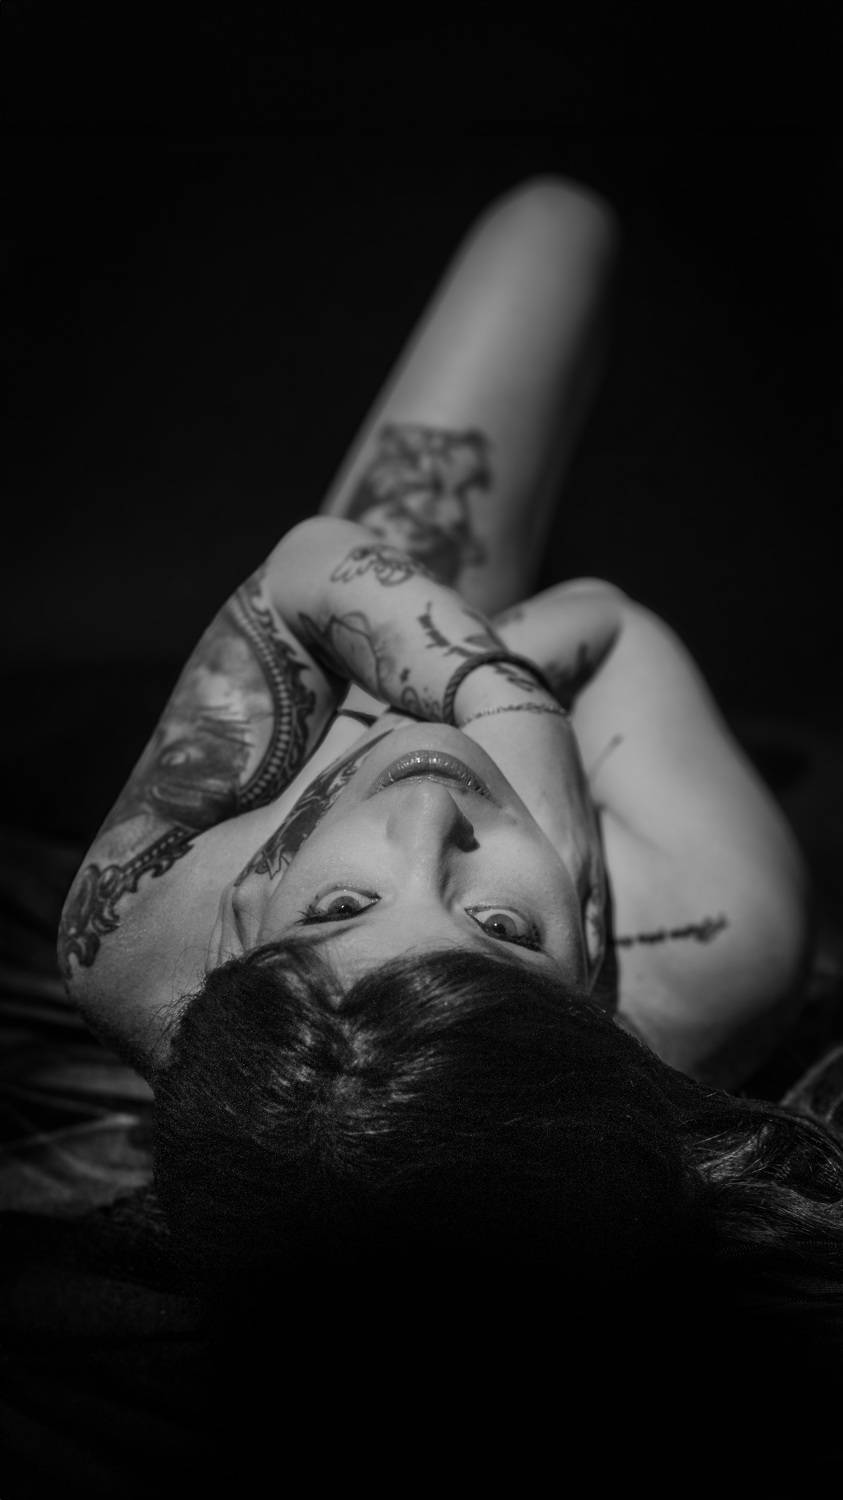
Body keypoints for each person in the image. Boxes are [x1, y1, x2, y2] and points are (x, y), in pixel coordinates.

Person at [56, 181, 843, 1389]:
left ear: (243, 921)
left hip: (384, 676)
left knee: (544, 228)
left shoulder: (136, 931)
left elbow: (305, 567)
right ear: (594, 985)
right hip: (524, 726)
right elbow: (606, 623)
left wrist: (493, 701)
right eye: (502, 928)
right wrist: (519, 716)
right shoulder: (722, 937)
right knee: (564, 223)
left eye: (342, 906)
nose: (424, 812)